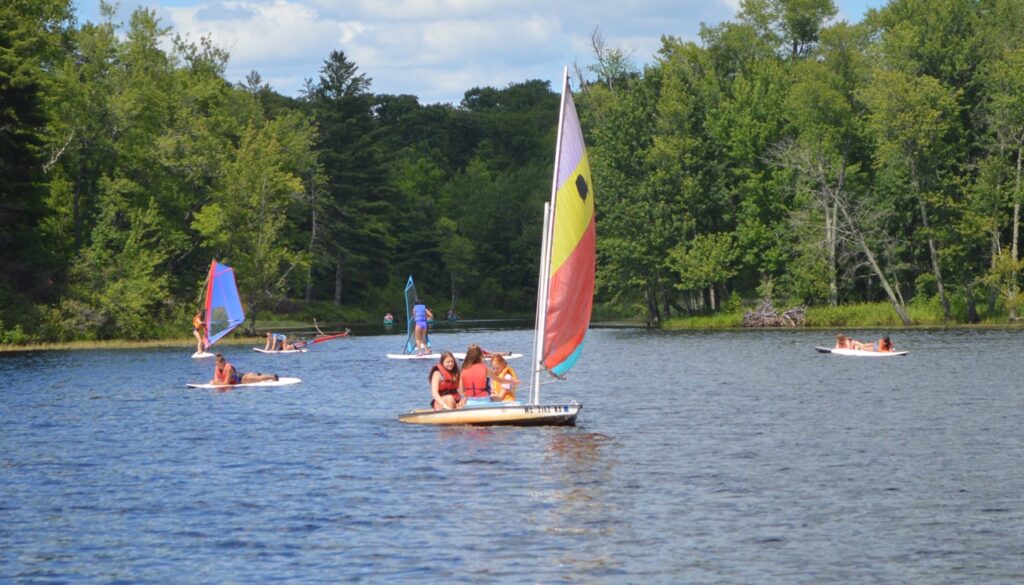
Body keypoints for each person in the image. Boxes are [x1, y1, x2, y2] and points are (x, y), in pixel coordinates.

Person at [211, 354, 277, 385]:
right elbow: (216, 379)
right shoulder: (217, 368)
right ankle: (257, 374)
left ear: (223, 362)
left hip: (243, 379)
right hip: (240, 375)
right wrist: (215, 382)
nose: (217, 366)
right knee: (256, 376)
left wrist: (216, 383)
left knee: (259, 379)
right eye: (216, 364)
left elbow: (226, 382)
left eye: (218, 364)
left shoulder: (229, 368)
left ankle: (273, 377)